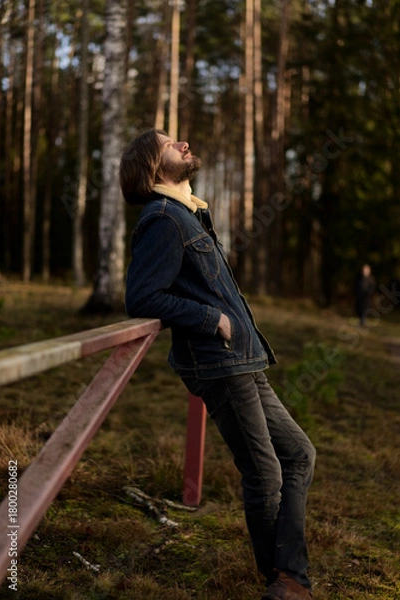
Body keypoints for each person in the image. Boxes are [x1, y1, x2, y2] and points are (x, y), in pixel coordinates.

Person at [120, 129, 316, 600]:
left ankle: (287, 573)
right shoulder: (164, 217)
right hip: (218, 362)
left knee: (299, 454)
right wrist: (213, 319)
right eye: (170, 144)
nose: (184, 144)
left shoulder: (189, 214)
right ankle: (286, 581)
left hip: (243, 360)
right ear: (153, 167)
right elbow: (143, 296)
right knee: (265, 472)